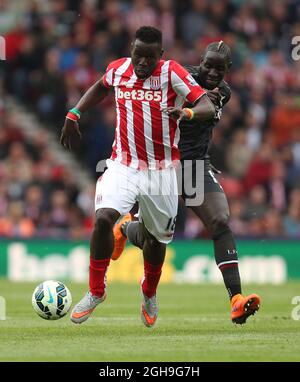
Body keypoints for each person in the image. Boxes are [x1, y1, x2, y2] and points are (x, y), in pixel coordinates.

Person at [60, 26, 215, 327]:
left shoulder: (172, 73)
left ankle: (149, 292)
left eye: (149, 57)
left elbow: (205, 102)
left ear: (161, 54)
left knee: (155, 240)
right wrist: (74, 112)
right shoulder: (118, 69)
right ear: (131, 49)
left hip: (162, 170)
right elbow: (101, 86)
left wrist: (189, 114)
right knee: (104, 217)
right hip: (123, 164)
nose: (143, 63)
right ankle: (96, 291)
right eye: (138, 55)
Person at [112, 41, 261, 325]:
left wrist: (197, 106)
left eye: (220, 68)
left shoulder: (224, 92)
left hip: (193, 167)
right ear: (200, 62)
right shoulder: (179, 78)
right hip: (162, 164)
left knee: (219, 220)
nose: (213, 72)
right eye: (208, 65)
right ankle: (126, 228)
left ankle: (236, 300)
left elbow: (209, 103)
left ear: (228, 70)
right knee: (151, 239)